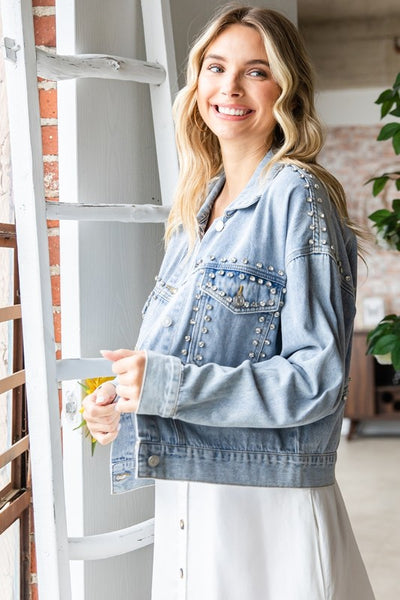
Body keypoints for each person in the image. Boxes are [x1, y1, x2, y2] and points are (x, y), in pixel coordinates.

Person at [83, 5, 375, 599]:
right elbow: (177, 360)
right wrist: (118, 399)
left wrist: (169, 386)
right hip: (189, 498)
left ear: (286, 90)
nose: (229, 88)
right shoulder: (198, 210)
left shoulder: (298, 195)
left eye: (256, 71)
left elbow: (317, 379)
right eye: (215, 68)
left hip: (264, 512)